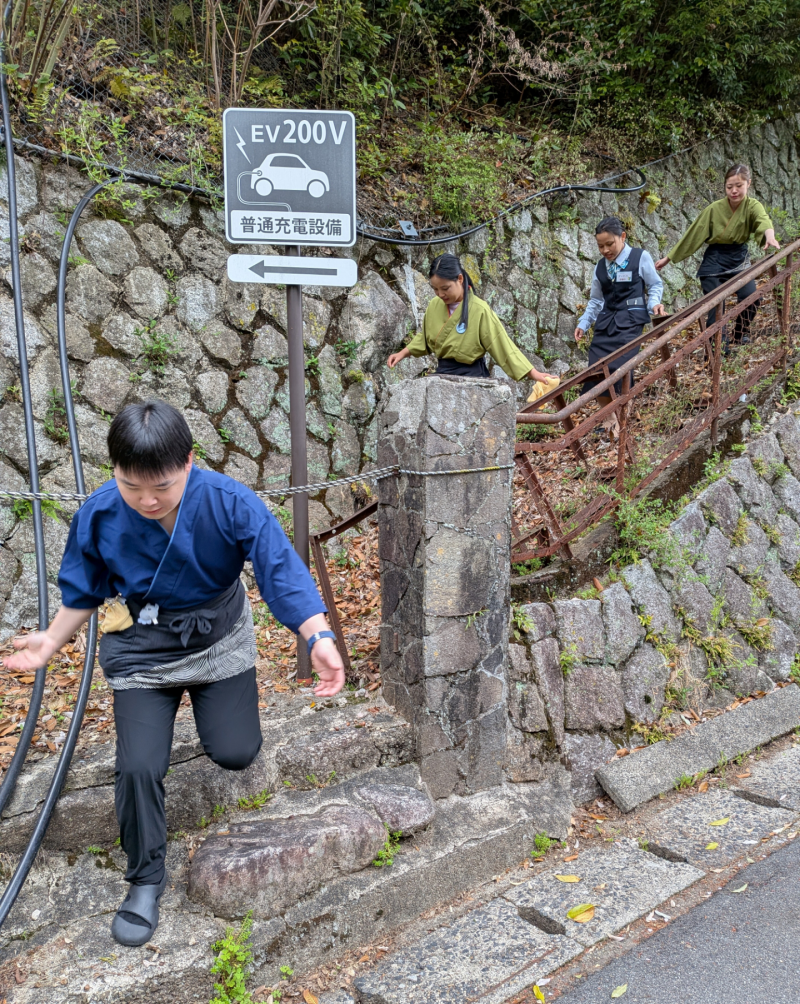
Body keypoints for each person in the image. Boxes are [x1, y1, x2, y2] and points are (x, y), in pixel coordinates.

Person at [2, 400, 344, 947]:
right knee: (138, 767)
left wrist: (317, 636)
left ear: (188, 461)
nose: (146, 500)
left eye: (160, 485)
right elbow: (85, 589)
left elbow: (279, 566)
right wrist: (50, 641)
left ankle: (216, 709)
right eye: (131, 486)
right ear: (114, 471)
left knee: (236, 751)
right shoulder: (99, 512)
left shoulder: (229, 501)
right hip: (140, 647)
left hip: (217, 638)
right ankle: (144, 878)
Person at [387, 252, 559, 402]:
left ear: (460, 279)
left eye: (445, 288)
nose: (440, 294)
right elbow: (424, 337)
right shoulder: (434, 305)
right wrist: (402, 353)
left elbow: (503, 346)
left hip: (473, 379)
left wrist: (534, 373)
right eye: (435, 289)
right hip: (442, 376)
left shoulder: (479, 309)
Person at [655, 163, 780, 345]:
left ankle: (740, 334)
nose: (734, 191)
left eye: (739, 186)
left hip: (738, 257)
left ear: (748, 184)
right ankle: (717, 348)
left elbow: (763, 221)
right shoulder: (714, 209)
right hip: (715, 259)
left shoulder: (753, 206)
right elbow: (694, 233)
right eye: (729, 187)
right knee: (715, 304)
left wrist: (770, 236)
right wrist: (669, 258)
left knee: (751, 297)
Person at [574, 217, 666, 436]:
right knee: (595, 371)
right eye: (600, 246)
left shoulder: (639, 257)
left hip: (631, 322)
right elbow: (596, 300)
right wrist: (584, 323)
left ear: (622, 237)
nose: (605, 250)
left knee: (620, 367)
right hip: (605, 324)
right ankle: (609, 418)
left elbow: (654, 285)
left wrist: (654, 305)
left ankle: (623, 414)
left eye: (610, 244)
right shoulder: (600, 267)